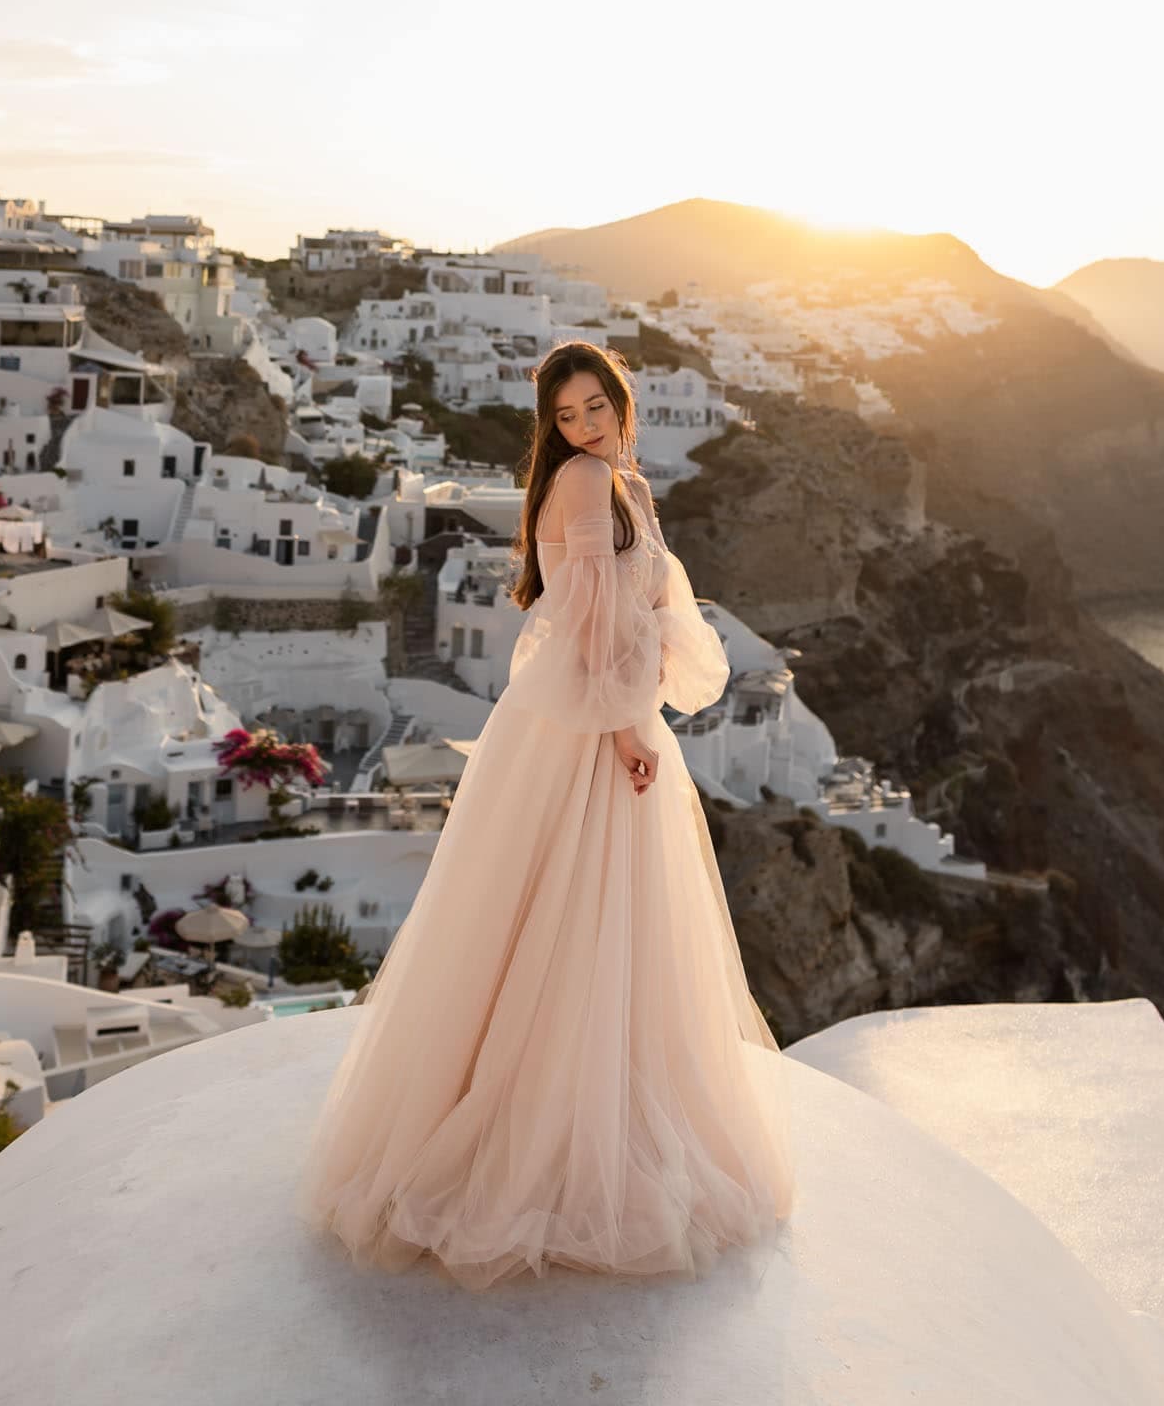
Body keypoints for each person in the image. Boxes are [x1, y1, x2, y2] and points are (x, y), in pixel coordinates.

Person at [296, 339, 794, 1288]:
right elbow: (591, 621)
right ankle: (532, 1142)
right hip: (584, 731)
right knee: (559, 919)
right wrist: (625, 731)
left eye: (594, 407)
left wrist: (636, 710)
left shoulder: (624, 485)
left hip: (611, 715)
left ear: (620, 401)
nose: (582, 426)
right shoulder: (579, 486)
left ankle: (602, 1112)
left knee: (609, 930)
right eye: (565, 417)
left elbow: (642, 610)